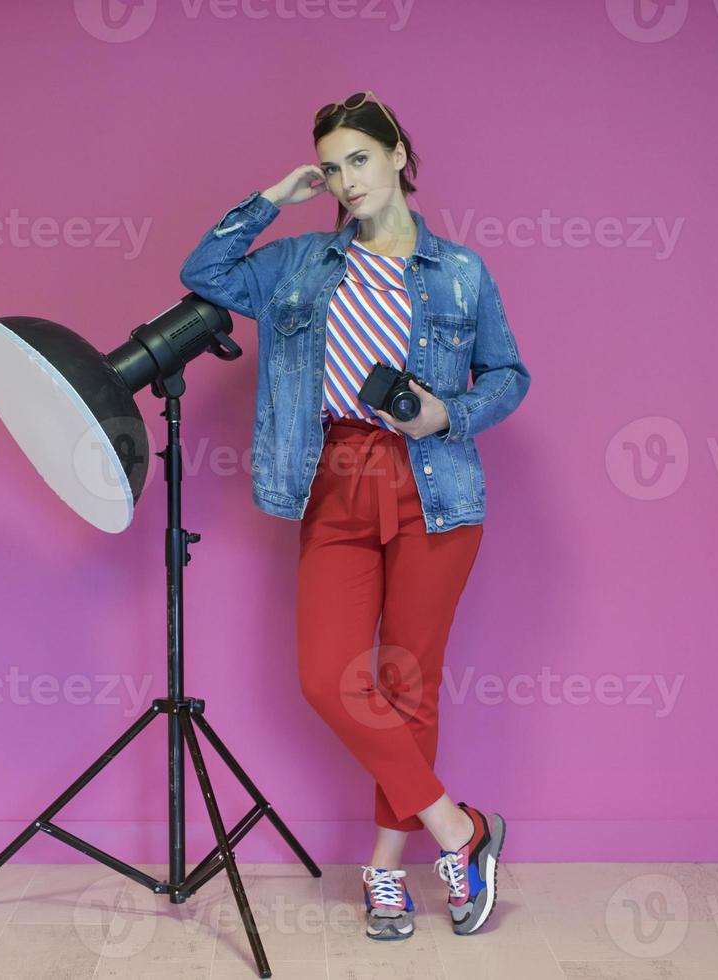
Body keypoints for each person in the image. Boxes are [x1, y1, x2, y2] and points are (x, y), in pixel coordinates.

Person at [179, 91, 531, 941]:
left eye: (359, 159)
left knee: (410, 684)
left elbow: (509, 375)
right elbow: (205, 274)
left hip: (435, 483)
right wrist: (273, 198)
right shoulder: (300, 262)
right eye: (333, 166)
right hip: (333, 478)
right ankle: (460, 830)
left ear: (400, 153)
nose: (345, 178)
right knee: (326, 675)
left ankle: (384, 869)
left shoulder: (460, 272)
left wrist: (448, 415)